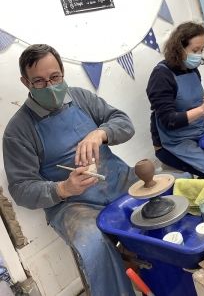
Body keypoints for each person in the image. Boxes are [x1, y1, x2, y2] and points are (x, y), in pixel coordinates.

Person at [3, 44, 137, 296]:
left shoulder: (81, 98)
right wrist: (62, 188)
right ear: (25, 82)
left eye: (55, 77)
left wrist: (101, 133)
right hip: (73, 205)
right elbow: (20, 188)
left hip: (118, 180)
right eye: (40, 82)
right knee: (95, 243)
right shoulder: (17, 131)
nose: (51, 86)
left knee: (165, 193)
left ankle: (167, 275)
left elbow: (124, 123)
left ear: (63, 72)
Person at [146, 22, 204, 181]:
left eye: (201, 50)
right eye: (195, 50)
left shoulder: (191, 69)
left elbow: (188, 101)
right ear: (179, 48)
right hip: (174, 143)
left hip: (199, 130)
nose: (199, 55)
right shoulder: (161, 76)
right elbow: (169, 120)